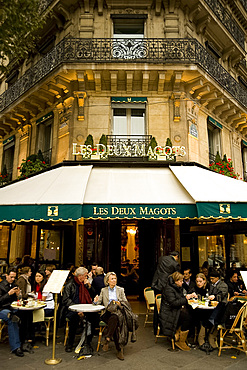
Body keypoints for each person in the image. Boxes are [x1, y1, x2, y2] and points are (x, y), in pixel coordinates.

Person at [94, 272, 129, 360]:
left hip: (118, 313)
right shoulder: (103, 290)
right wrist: (95, 301)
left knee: (115, 318)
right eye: (112, 279)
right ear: (107, 281)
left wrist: (119, 303)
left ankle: (108, 337)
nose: (114, 280)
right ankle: (119, 350)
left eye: (115, 278)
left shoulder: (120, 290)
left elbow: (125, 303)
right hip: (106, 313)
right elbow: (98, 302)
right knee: (114, 319)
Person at [159, 271, 196, 351]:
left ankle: (180, 335)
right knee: (188, 317)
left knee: (190, 313)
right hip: (169, 312)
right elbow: (174, 303)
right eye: (180, 281)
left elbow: (180, 299)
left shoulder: (176, 287)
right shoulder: (169, 289)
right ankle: (181, 340)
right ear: (175, 281)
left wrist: (189, 296)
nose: (182, 282)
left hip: (174, 310)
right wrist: (186, 298)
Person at [62, 266, 96, 352]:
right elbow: (66, 300)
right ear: (80, 276)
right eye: (85, 276)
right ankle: (70, 343)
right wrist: (77, 309)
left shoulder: (84, 284)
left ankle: (88, 342)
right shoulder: (70, 284)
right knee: (74, 320)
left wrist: (89, 286)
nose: (86, 277)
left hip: (86, 307)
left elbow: (93, 294)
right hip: (72, 309)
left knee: (94, 318)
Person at [151, 251, 180, 334]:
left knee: (157, 306)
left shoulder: (161, 259)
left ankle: (156, 328)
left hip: (157, 285)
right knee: (166, 308)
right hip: (166, 287)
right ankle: (165, 328)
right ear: (176, 256)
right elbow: (176, 276)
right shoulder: (175, 264)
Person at [0, 268, 24, 357]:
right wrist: (8, 294)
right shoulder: (1, 285)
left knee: (25, 314)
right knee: (12, 318)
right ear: (6, 276)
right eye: (11, 277)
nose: (13, 279)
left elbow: (17, 300)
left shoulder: (14, 285)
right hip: (2, 309)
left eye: (14, 277)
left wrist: (18, 295)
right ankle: (16, 347)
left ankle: (25, 341)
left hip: (12, 308)